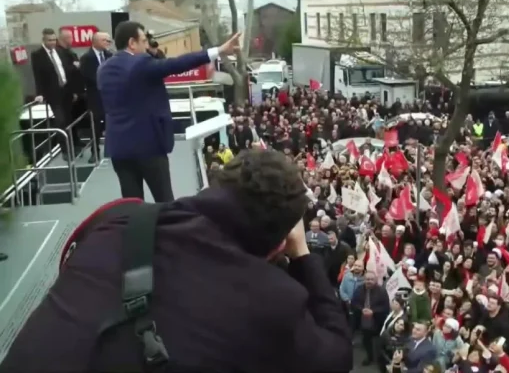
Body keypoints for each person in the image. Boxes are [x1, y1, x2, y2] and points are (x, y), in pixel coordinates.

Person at [0, 149, 353, 372]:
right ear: (279, 245)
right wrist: (302, 254)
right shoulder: (274, 301)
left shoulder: (118, 221)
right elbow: (337, 356)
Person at [98, 21, 241, 202]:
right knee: (165, 201)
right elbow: (177, 64)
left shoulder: (103, 69)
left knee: (131, 204)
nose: (147, 46)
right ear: (132, 43)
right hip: (148, 147)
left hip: (119, 148)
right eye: (143, 41)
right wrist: (218, 51)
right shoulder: (140, 63)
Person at [30, 28, 75, 160]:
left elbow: (66, 69)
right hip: (52, 93)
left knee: (69, 119)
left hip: (66, 90)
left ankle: (72, 145)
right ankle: (65, 150)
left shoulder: (60, 51)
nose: (52, 42)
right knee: (60, 121)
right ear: (44, 40)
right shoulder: (37, 55)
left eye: (54, 40)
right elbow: (37, 75)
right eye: (49, 40)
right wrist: (39, 93)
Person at [79, 32, 112, 163]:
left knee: (111, 124)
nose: (108, 43)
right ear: (95, 41)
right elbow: (88, 76)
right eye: (105, 40)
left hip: (110, 96)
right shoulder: (86, 58)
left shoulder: (110, 56)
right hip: (95, 97)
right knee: (95, 126)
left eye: (108, 40)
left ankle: (111, 150)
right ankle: (95, 152)